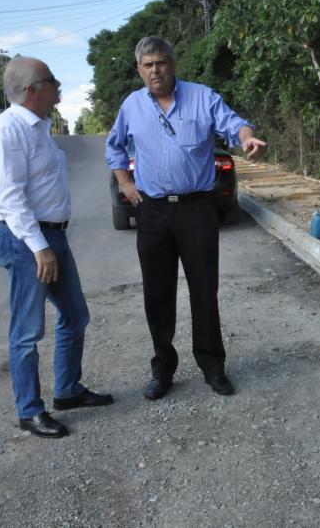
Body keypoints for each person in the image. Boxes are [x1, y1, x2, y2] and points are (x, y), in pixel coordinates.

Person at [105, 36, 266, 400]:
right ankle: (163, 369)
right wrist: (125, 184)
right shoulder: (131, 106)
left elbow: (235, 124)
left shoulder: (202, 97)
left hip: (197, 209)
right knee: (157, 295)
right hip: (154, 212)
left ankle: (213, 367)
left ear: (172, 63)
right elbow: (114, 146)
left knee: (204, 290)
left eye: (160, 62)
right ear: (139, 69)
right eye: (147, 65)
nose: (155, 70)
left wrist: (248, 139)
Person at [0, 56, 113, 439]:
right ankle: (29, 410)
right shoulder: (6, 131)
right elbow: (9, 198)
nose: (59, 87)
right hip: (26, 240)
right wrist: (40, 247)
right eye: (53, 81)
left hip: (50, 236)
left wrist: (49, 241)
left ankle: (68, 391)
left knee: (75, 315)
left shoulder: (38, 127)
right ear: (31, 90)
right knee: (27, 330)